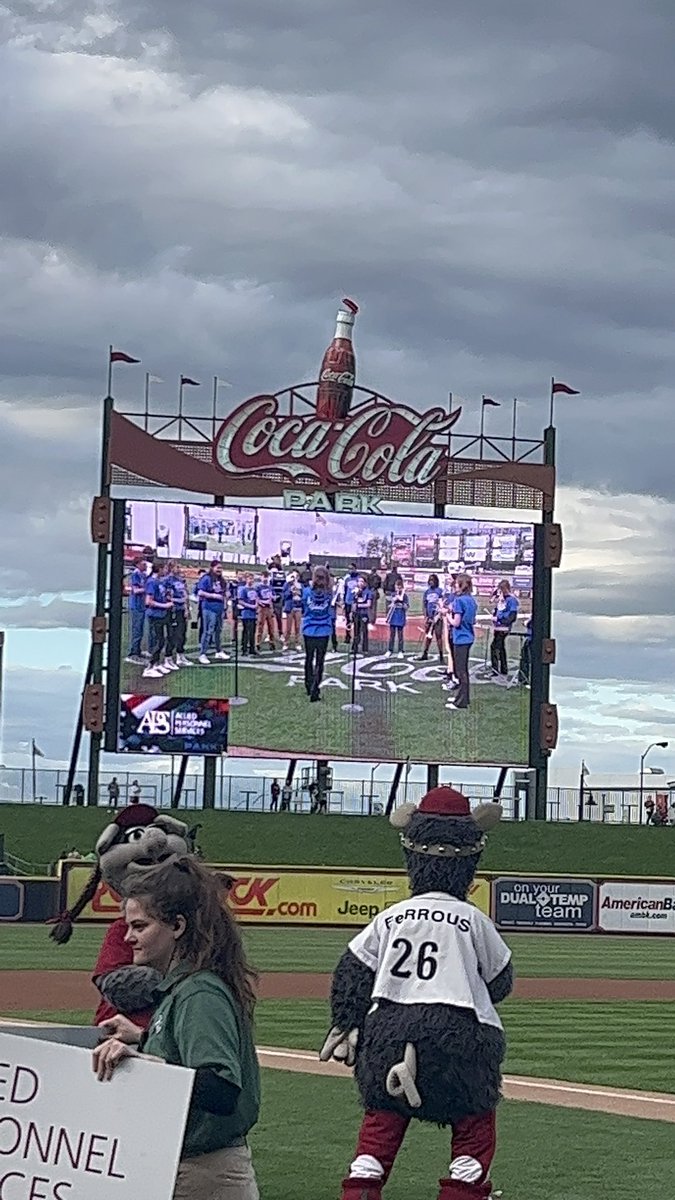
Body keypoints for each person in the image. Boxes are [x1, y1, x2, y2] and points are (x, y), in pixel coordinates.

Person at [92, 858, 260, 1200]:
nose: (128, 937)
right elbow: (185, 1057)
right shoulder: (185, 987)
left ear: (177, 926)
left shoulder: (199, 992)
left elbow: (221, 1089)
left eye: (140, 926)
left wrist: (142, 1065)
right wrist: (142, 1038)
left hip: (205, 1173)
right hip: (190, 1167)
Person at [302, 565, 333, 702]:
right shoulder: (329, 593)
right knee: (320, 661)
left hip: (309, 629)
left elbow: (304, 607)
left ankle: (308, 686)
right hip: (323, 630)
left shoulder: (306, 592)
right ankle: (315, 689)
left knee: (309, 658)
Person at [445, 574, 476, 711]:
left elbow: (456, 623)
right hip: (468, 637)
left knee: (460, 671)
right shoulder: (471, 600)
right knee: (463, 670)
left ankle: (461, 701)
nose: (455, 585)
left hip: (460, 638)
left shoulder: (459, 601)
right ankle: (463, 697)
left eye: (457, 583)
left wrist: (447, 615)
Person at [143, 561, 173, 679]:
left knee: (161, 640)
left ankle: (156, 664)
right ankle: (149, 668)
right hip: (155, 615)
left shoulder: (159, 582)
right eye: (164, 568)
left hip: (161, 615)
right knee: (159, 641)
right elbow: (148, 601)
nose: (166, 571)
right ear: (159, 569)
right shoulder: (151, 582)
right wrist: (164, 605)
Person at [197, 561, 230, 666]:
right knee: (208, 631)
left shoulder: (221, 580)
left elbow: (225, 592)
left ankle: (219, 651)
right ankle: (202, 653)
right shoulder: (206, 578)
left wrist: (226, 596)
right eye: (217, 568)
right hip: (209, 608)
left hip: (219, 608)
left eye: (221, 568)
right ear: (212, 568)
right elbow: (200, 592)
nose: (219, 570)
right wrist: (214, 596)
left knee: (218, 631)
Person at [490, 580, 519, 681]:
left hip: (504, 627)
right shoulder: (502, 600)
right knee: (501, 647)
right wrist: (495, 613)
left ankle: (495, 669)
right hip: (498, 627)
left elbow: (512, 616)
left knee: (494, 647)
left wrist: (500, 619)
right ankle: (503, 668)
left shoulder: (511, 600)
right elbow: (498, 610)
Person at [126, 555, 148, 663]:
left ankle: (137, 650)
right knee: (136, 630)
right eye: (143, 564)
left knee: (140, 630)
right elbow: (135, 590)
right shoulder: (135, 575)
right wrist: (147, 589)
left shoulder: (143, 575)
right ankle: (133, 654)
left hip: (141, 606)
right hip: (136, 606)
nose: (146, 566)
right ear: (138, 564)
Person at [418, 573, 444, 662]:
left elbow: (443, 603)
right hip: (429, 617)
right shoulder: (427, 592)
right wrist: (426, 616)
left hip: (438, 617)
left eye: (433, 580)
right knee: (428, 636)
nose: (431, 582)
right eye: (430, 580)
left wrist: (439, 614)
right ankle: (425, 653)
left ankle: (441, 655)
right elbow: (424, 605)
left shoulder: (440, 591)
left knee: (438, 635)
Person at [169, 565, 192, 667]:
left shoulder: (181, 580)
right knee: (175, 634)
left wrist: (187, 609)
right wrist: (177, 601)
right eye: (176, 567)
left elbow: (185, 595)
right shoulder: (168, 581)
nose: (179, 569)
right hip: (174, 610)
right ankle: (170, 657)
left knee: (182, 633)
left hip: (182, 609)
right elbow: (167, 596)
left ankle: (181, 654)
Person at [385, 579, 409, 658]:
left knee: (400, 635)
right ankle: (390, 650)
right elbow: (390, 604)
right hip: (393, 617)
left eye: (400, 587)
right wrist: (394, 600)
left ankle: (400, 651)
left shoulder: (404, 596)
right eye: (397, 587)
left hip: (400, 617)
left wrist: (402, 604)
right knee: (392, 635)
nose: (398, 589)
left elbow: (406, 607)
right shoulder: (393, 594)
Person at [255, 570, 277, 652]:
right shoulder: (258, 587)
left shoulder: (270, 587)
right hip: (262, 608)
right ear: (261, 577)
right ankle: (258, 643)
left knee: (271, 626)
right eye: (264, 577)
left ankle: (272, 642)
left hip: (269, 607)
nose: (265, 579)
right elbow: (256, 597)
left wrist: (273, 597)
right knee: (260, 625)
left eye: (266, 577)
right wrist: (261, 602)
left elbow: (274, 597)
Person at [238, 574, 259, 656]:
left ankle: (252, 648)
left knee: (252, 632)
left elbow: (256, 598)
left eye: (252, 579)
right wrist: (251, 606)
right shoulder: (243, 589)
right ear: (246, 579)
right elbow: (240, 601)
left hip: (253, 614)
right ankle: (244, 649)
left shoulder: (254, 589)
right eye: (250, 579)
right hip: (246, 613)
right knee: (246, 631)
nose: (251, 580)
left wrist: (256, 605)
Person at [282, 572, 304, 651]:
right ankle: (286, 642)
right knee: (288, 627)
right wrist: (290, 591)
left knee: (298, 627)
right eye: (293, 576)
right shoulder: (287, 584)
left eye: (296, 576)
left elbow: (304, 596)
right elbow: (284, 596)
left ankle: (298, 643)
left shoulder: (301, 585)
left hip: (298, 607)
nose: (295, 578)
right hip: (290, 607)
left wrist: (299, 593)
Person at [268, 555, 287, 639]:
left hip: (278, 597)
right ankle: (270, 634)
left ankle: (280, 633)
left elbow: (284, 586)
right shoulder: (269, 576)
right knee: (269, 617)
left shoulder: (281, 574)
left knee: (278, 616)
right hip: (269, 597)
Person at [352, 576, 373, 654]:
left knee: (364, 631)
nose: (360, 583)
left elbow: (368, 604)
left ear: (365, 583)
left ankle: (365, 649)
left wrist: (359, 605)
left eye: (362, 581)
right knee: (356, 631)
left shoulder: (368, 592)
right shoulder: (356, 591)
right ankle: (354, 648)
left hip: (364, 614)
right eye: (359, 581)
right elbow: (353, 602)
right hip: (356, 614)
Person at [342, 564, 361, 644]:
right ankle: (348, 636)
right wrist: (343, 601)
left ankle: (357, 637)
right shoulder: (347, 578)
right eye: (349, 568)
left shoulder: (359, 578)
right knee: (348, 620)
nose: (350, 570)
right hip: (348, 602)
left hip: (355, 602)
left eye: (352, 568)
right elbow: (344, 590)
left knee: (356, 621)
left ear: (355, 569)